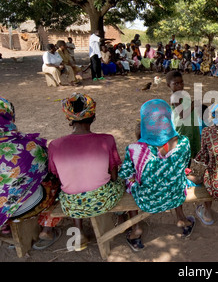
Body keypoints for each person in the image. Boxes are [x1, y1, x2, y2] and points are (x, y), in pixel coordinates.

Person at [48, 93, 125, 251]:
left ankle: (79, 232)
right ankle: (121, 216)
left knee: (73, 188)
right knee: (123, 177)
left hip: (71, 205)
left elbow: (58, 177)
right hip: (103, 200)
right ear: (93, 116)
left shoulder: (55, 145)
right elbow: (115, 175)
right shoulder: (107, 140)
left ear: (69, 119)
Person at [119, 99, 196, 250]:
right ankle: (181, 219)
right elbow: (185, 165)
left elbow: (126, 173)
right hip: (175, 195)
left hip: (147, 200)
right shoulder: (183, 142)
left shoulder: (134, 149)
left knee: (130, 181)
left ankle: (136, 229)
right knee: (174, 175)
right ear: (169, 120)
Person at [0, 97, 63, 250]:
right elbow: (51, 166)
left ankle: (4, 226)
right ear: (10, 116)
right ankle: (47, 229)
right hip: (23, 209)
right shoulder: (28, 146)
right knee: (56, 179)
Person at [167, 70, 205, 165]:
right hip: (183, 128)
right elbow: (182, 115)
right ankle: (183, 171)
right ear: (169, 85)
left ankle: (186, 170)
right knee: (183, 151)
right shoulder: (175, 97)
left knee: (189, 149)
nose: (180, 85)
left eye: (181, 82)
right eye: (176, 84)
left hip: (189, 126)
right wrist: (193, 105)